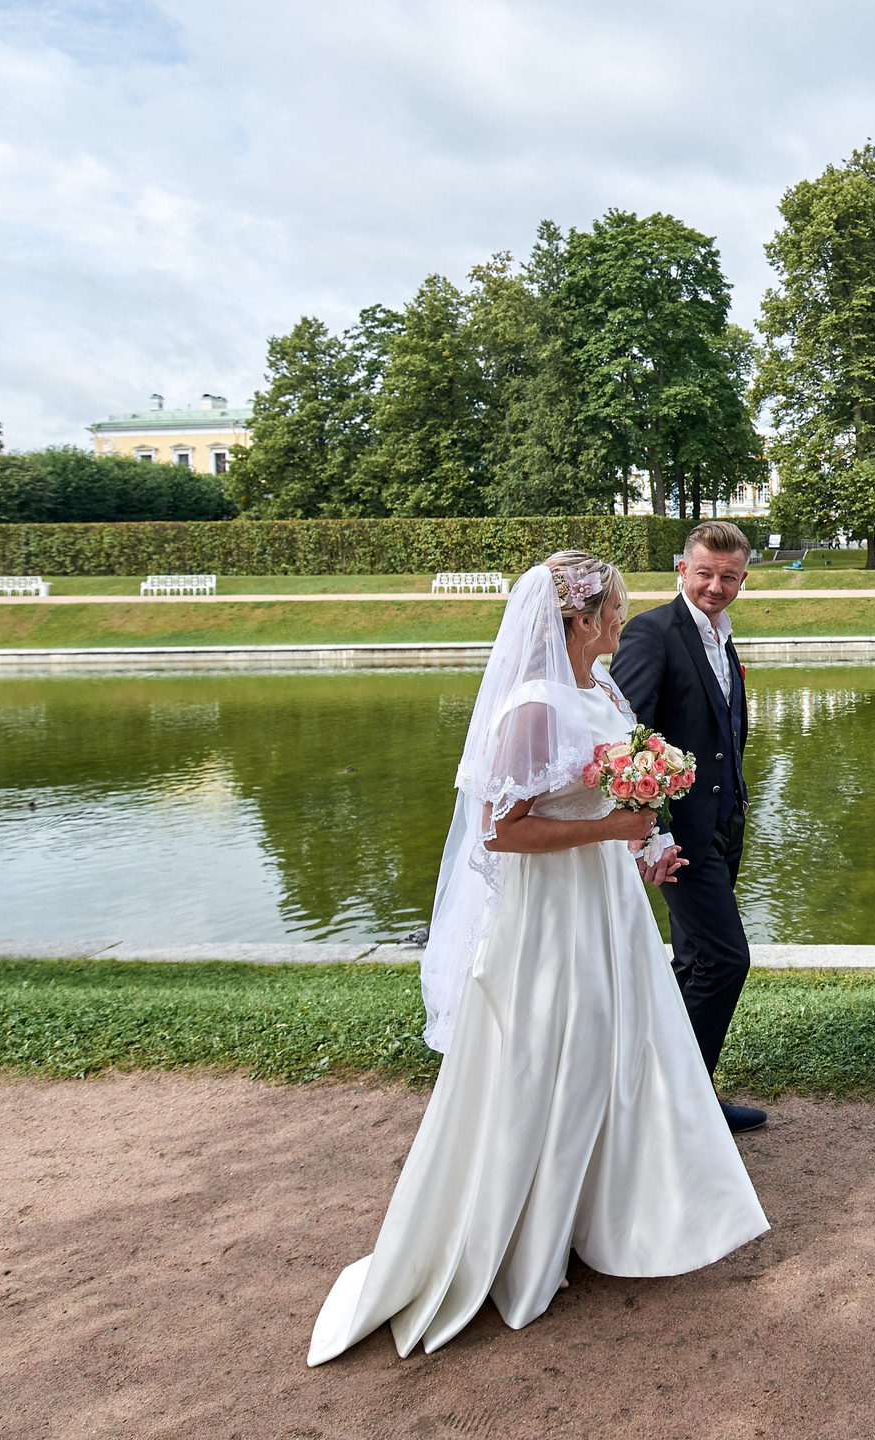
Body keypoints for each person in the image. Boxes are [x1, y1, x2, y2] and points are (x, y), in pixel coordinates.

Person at [307, 552, 767, 1364]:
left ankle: (617, 1209)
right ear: (582, 620)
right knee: (556, 1060)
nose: (625, 622)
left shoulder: (602, 690)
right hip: (550, 919)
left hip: (607, 907)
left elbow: (616, 792)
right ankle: (530, 1236)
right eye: (616, 611)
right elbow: (502, 829)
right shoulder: (529, 706)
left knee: (619, 1052)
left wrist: (645, 848)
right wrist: (610, 833)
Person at [610, 520, 765, 1133]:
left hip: (723, 827)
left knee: (695, 961)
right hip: (680, 837)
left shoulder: (723, 637)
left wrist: (736, 810)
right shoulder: (652, 634)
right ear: (682, 570)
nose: (716, 586)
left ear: (743, 579)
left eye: (728, 577)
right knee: (726, 960)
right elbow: (630, 743)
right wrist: (654, 834)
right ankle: (685, 1107)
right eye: (705, 573)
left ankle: (651, 1090)